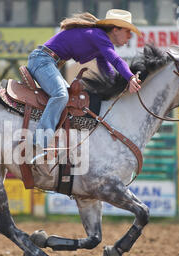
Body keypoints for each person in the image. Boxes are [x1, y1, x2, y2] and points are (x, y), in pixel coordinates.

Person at [28, 9, 142, 163]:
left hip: (48, 62)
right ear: (116, 29)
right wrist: (130, 78)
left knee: (67, 99)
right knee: (61, 95)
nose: (130, 36)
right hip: (42, 60)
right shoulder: (98, 35)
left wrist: (117, 88)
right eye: (128, 31)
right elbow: (116, 61)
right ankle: (40, 143)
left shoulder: (98, 39)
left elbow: (108, 70)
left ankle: (55, 142)